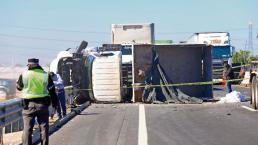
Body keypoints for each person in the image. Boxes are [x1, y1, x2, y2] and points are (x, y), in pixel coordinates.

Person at [17, 58, 58, 145]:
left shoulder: (24, 74)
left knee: (27, 129)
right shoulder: (45, 75)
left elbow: (19, 87)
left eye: (28, 65)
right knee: (44, 128)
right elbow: (52, 91)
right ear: (38, 64)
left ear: (30, 65)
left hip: (28, 106)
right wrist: (55, 105)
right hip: (42, 105)